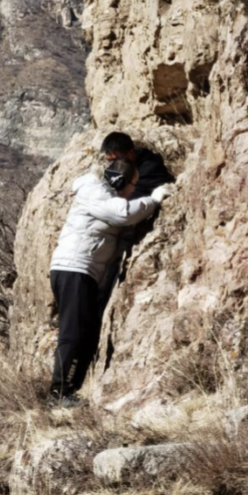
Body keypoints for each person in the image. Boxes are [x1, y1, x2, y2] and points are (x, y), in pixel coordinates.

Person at [49, 159, 172, 407]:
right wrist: (154, 200)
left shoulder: (100, 194)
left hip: (80, 269)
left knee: (85, 332)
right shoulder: (96, 192)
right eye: (133, 185)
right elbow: (122, 214)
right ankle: (58, 393)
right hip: (75, 267)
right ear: (122, 182)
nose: (133, 191)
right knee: (73, 332)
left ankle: (69, 390)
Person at [100, 133, 174, 200]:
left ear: (131, 153)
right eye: (109, 161)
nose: (111, 165)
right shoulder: (125, 163)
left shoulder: (148, 169)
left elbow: (128, 203)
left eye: (115, 160)